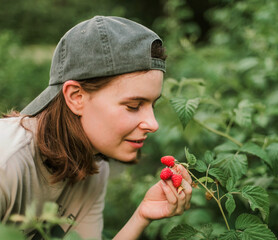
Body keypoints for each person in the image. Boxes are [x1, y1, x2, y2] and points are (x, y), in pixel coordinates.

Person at [0, 15, 192, 240]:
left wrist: (141, 216)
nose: (153, 124)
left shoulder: (92, 166)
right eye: (133, 106)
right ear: (76, 97)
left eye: (152, 104)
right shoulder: (6, 165)